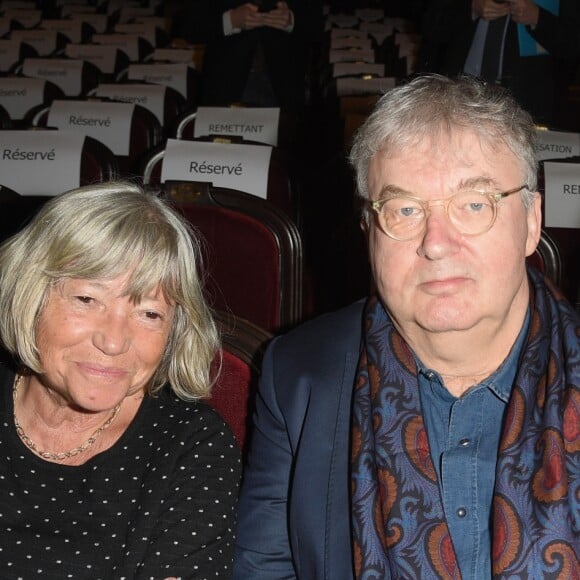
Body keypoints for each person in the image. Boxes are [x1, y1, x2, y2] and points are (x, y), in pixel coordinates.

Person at [232, 74, 579, 578]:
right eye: (405, 209)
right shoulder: (300, 375)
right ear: (368, 230)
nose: (436, 242)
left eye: (474, 204)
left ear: (531, 221)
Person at [0, 183, 241, 578]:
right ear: (30, 295)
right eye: (86, 300)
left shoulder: (191, 447)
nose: (113, 341)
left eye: (149, 313)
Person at [418, 0, 580, 125]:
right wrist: (472, 7)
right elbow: (430, 24)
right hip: (459, 93)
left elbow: (573, 45)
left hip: (526, 103)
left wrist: (538, 18)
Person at [172, 0, 322, 111]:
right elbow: (187, 24)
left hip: (284, 89)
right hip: (224, 87)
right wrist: (231, 20)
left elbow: (317, 26)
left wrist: (291, 20)